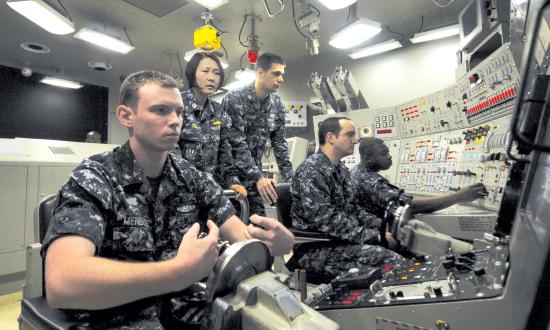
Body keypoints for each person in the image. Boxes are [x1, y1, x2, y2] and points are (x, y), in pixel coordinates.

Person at [41, 70, 294, 328]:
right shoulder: (96, 177)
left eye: (179, 112)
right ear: (126, 116)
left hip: (182, 309)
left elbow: (242, 237)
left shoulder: (190, 177)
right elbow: (63, 283)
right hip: (117, 317)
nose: (175, 121)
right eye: (160, 110)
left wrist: (277, 243)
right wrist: (177, 272)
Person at [288, 117, 403, 280]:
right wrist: (375, 236)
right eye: (349, 135)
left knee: (400, 246)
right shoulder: (311, 171)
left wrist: (386, 226)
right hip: (316, 250)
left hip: (340, 241)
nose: (355, 141)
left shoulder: (341, 169)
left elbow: (354, 210)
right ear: (331, 138)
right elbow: (327, 221)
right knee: (391, 260)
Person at [222, 52, 293, 216]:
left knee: (258, 224)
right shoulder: (234, 99)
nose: (281, 79)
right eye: (276, 74)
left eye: (282, 74)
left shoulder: (277, 105)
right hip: (231, 176)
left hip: (255, 177)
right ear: (260, 73)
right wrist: (258, 177)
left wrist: (290, 177)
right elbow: (236, 144)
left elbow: (280, 143)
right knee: (232, 228)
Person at [350, 137, 488, 218]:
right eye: (384, 153)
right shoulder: (370, 181)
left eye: (388, 152)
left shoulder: (356, 171)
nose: (389, 156)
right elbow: (409, 206)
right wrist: (458, 197)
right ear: (368, 158)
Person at [178, 52, 246, 198]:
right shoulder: (177, 105)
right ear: (192, 74)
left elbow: (225, 156)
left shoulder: (219, 111)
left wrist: (232, 182)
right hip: (183, 191)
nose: (211, 78)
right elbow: (170, 156)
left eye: (216, 73)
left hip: (212, 193)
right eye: (205, 71)